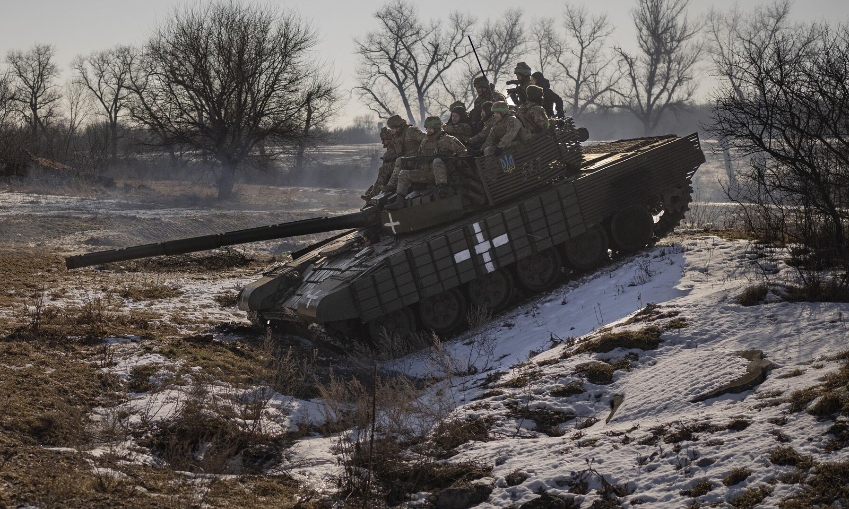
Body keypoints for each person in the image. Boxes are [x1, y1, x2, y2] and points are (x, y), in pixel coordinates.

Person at [387, 116, 467, 208]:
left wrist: (456, 165)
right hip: (427, 174)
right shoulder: (425, 141)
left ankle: (442, 190)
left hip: (443, 175)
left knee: (437, 161)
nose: (428, 130)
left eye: (430, 128)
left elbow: (463, 152)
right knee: (403, 173)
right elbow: (419, 156)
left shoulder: (447, 139)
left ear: (436, 128)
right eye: (427, 128)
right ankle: (399, 200)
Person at [382, 114, 426, 193]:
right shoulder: (397, 136)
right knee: (385, 167)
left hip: (416, 160)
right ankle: (375, 192)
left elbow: (425, 139)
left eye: (393, 128)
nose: (391, 131)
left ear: (398, 126)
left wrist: (419, 152)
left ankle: (391, 186)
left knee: (400, 161)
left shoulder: (411, 131)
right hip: (407, 160)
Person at [362, 126, 396, 200]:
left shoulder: (394, 146)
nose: (382, 142)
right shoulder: (391, 147)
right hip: (393, 170)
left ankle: (373, 194)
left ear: (389, 139)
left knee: (383, 170)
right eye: (382, 140)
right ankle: (373, 192)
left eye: (384, 140)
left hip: (396, 168)